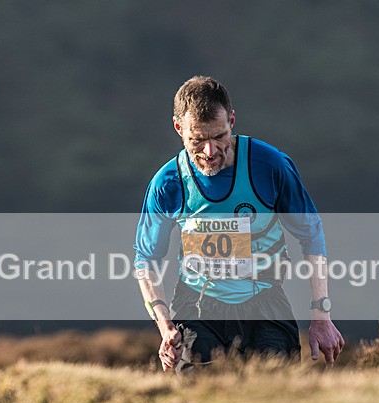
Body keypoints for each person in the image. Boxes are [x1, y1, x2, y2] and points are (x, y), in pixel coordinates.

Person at [134, 75, 344, 372]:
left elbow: (311, 235)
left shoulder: (270, 166)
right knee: (201, 390)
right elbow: (145, 258)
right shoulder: (168, 183)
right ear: (179, 128)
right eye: (197, 140)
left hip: (264, 301)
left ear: (232, 121)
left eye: (219, 137)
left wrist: (321, 316)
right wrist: (165, 326)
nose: (210, 151)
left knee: (275, 391)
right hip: (197, 306)